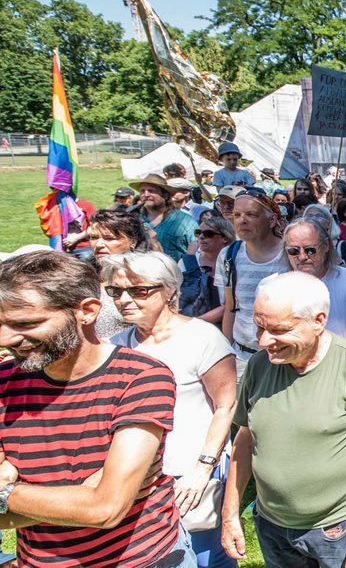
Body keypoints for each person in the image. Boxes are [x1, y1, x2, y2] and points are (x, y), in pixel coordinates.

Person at [0, 251, 195, 567]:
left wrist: (7, 494)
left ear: (87, 311)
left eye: (26, 323)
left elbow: (104, 509)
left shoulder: (140, 377)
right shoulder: (4, 384)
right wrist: (76, 497)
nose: (5, 338)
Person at [221, 272, 346, 568]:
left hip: (336, 530)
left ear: (319, 320)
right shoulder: (260, 366)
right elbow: (244, 441)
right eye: (260, 326)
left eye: (278, 329)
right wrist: (229, 514)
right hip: (271, 525)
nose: (263, 341)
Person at [105, 251, 238, 568]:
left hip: (190, 475)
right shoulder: (116, 344)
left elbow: (226, 405)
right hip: (139, 477)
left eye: (139, 290)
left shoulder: (203, 338)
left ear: (168, 290)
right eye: (116, 291)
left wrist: (203, 469)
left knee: (207, 556)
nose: (124, 299)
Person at [215, 190, 288, 377]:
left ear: (271, 220)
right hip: (242, 356)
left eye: (251, 215)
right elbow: (231, 308)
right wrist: (226, 352)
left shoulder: (290, 254)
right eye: (237, 215)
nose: (242, 221)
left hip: (284, 357)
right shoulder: (229, 255)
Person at [282, 217, 346, 348]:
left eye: (310, 250)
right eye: (293, 251)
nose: (302, 257)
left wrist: (339, 364)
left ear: (326, 246)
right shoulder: (274, 286)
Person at [87, 208, 152, 339]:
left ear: (132, 241)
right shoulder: (84, 276)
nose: (98, 245)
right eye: (93, 238)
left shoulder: (145, 278)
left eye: (109, 238)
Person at [133, 173, 200, 261]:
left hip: (175, 272)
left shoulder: (184, 221)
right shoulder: (135, 220)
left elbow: (198, 249)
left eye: (151, 191)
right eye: (142, 191)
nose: (146, 195)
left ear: (165, 195)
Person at [182, 213, 234, 324]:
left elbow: (230, 305)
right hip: (188, 324)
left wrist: (193, 323)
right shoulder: (185, 263)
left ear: (225, 238)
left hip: (225, 325)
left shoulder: (233, 264)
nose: (201, 237)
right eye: (198, 233)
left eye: (208, 234)